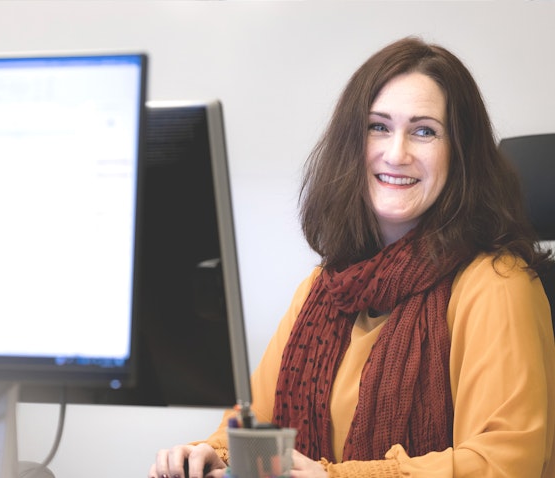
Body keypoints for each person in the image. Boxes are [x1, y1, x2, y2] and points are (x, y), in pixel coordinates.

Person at [149, 37, 555, 478]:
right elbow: (258, 425)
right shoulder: (324, 287)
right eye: (378, 126)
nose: (396, 153)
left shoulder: (498, 284)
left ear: (460, 154)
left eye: (424, 131)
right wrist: (211, 454)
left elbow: (505, 464)